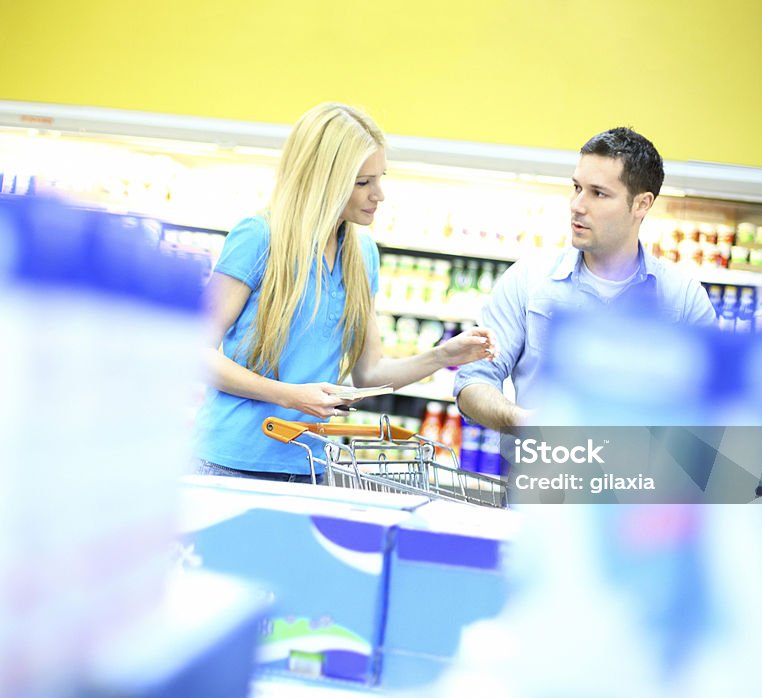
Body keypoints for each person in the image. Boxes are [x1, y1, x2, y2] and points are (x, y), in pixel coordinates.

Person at [194, 102, 497, 482]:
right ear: (324, 180)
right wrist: (287, 395)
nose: (379, 194)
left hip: (310, 466)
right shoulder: (259, 238)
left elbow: (369, 374)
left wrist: (442, 355)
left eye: (380, 177)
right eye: (363, 182)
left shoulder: (362, 254)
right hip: (230, 462)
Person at [455, 126, 716, 432]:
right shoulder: (527, 281)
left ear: (642, 204)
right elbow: (473, 380)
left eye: (598, 193)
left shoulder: (682, 299)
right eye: (577, 187)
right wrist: (521, 420)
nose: (577, 205)